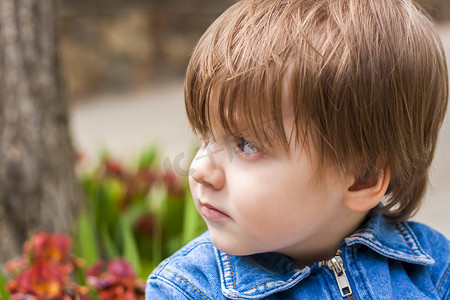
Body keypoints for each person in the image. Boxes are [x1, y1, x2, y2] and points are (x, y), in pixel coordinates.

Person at [146, 0, 450, 298]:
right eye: (206, 135)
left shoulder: (434, 272)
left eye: (247, 145)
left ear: (362, 178)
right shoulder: (188, 288)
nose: (200, 170)